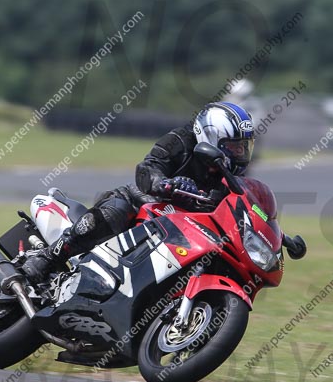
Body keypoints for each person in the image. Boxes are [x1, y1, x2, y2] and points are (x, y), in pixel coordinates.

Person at [23, 101, 256, 284]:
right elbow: (148, 167)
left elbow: (246, 205)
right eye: (234, 147)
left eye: (243, 147)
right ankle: (47, 258)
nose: (239, 154)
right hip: (143, 202)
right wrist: (165, 184)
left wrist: (278, 237)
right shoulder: (180, 141)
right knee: (111, 214)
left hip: (185, 227)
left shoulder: (231, 177)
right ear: (212, 136)